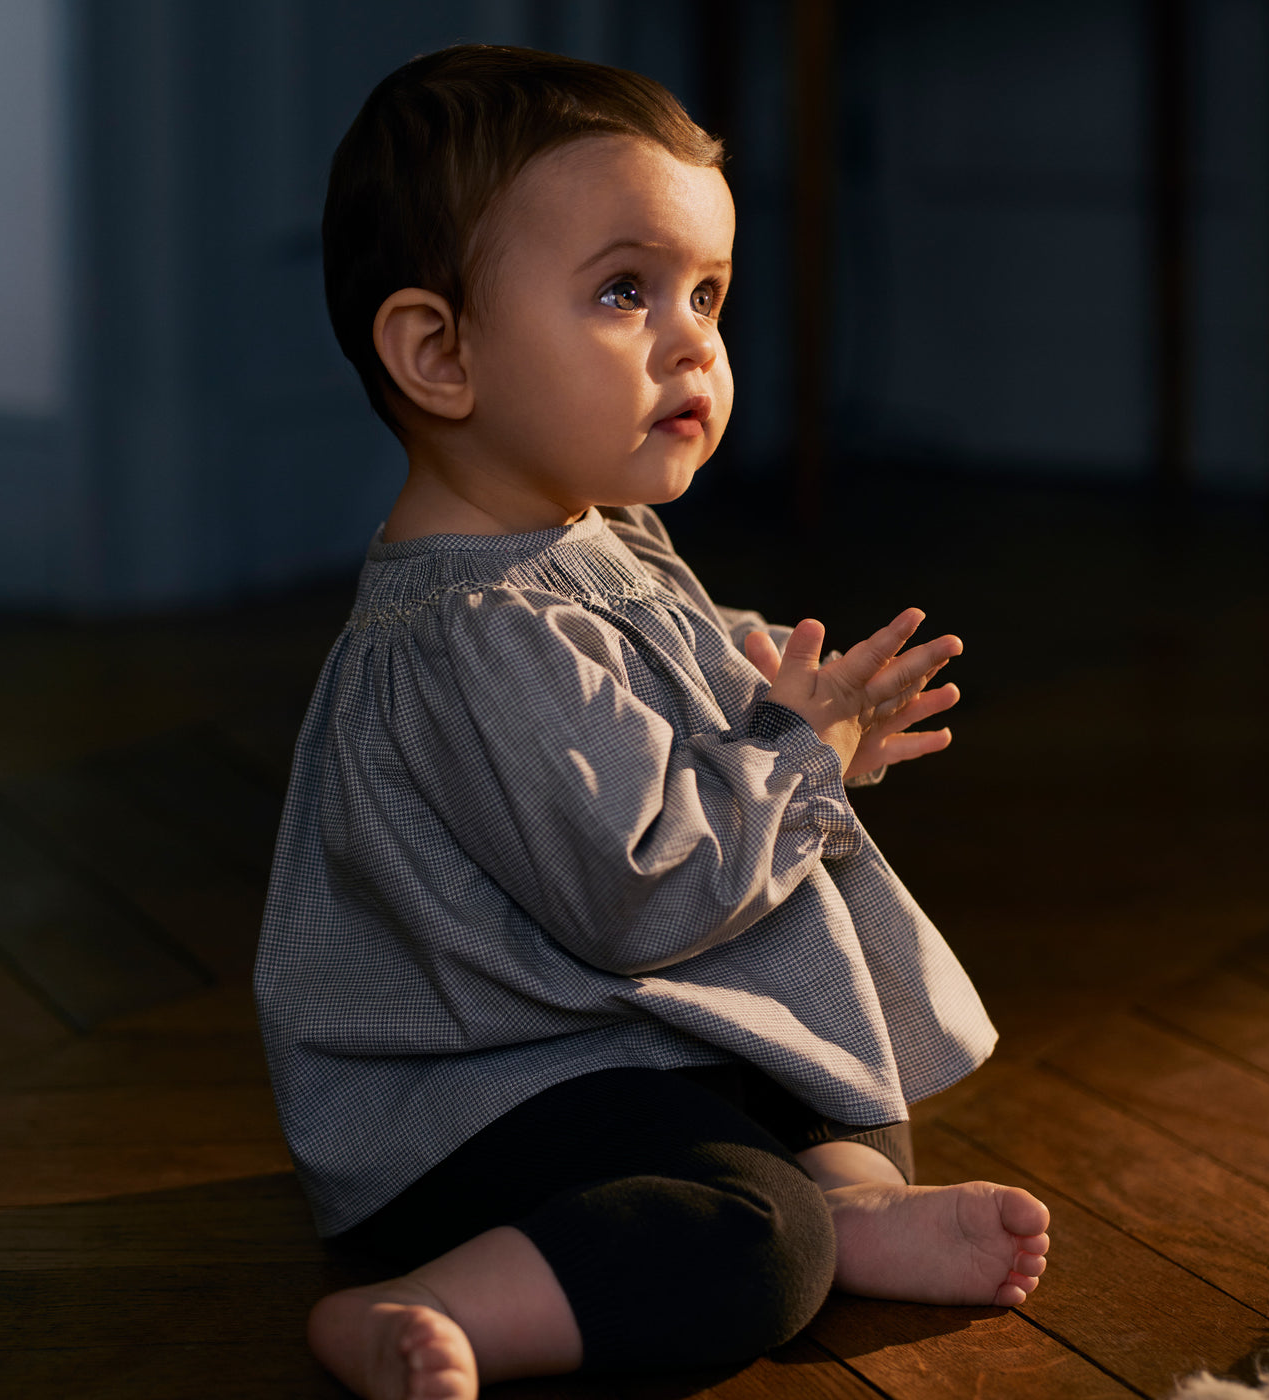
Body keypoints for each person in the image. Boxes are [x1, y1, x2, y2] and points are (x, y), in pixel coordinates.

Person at [254, 43, 1050, 1400]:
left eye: (708, 294)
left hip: (608, 1040)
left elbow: (660, 684)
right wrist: (805, 765)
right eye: (625, 293)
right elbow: (647, 893)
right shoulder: (476, 630)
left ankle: (852, 1195)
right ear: (438, 352)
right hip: (480, 1102)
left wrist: (783, 699)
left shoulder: (591, 535)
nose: (695, 342)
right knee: (753, 1248)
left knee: (815, 1023)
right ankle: (433, 1301)